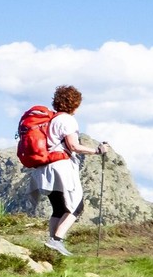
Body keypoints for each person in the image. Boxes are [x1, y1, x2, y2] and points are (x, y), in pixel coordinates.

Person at [32, 85, 108, 256]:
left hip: (45, 168)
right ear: (75, 104)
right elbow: (73, 145)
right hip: (61, 167)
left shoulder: (51, 120)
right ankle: (56, 240)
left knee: (59, 208)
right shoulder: (67, 120)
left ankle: (52, 246)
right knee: (76, 206)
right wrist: (96, 150)